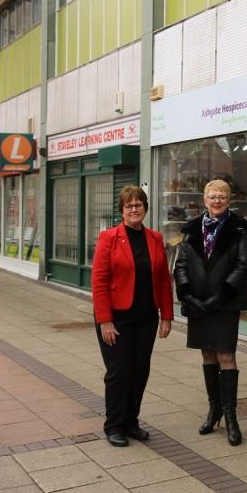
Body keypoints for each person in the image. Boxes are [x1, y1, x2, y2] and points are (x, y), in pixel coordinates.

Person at [92, 186, 174, 447]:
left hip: (145, 317)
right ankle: (113, 425)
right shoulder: (109, 238)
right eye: (129, 205)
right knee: (118, 371)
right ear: (122, 210)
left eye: (139, 204)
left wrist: (167, 316)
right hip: (116, 318)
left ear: (146, 208)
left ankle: (131, 421)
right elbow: (99, 281)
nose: (134, 209)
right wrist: (105, 320)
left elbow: (163, 279)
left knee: (140, 371)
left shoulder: (155, 238)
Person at [173, 179, 247, 446]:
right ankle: (213, 409)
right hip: (199, 305)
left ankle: (230, 416)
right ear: (205, 200)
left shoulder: (240, 228)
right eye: (212, 196)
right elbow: (181, 264)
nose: (216, 201)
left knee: (226, 355)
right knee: (207, 353)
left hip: (225, 304)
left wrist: (220, 296)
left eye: (221, 197)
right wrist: (189, 295)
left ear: (229, 201)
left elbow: (243, 267)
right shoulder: (192, 229)